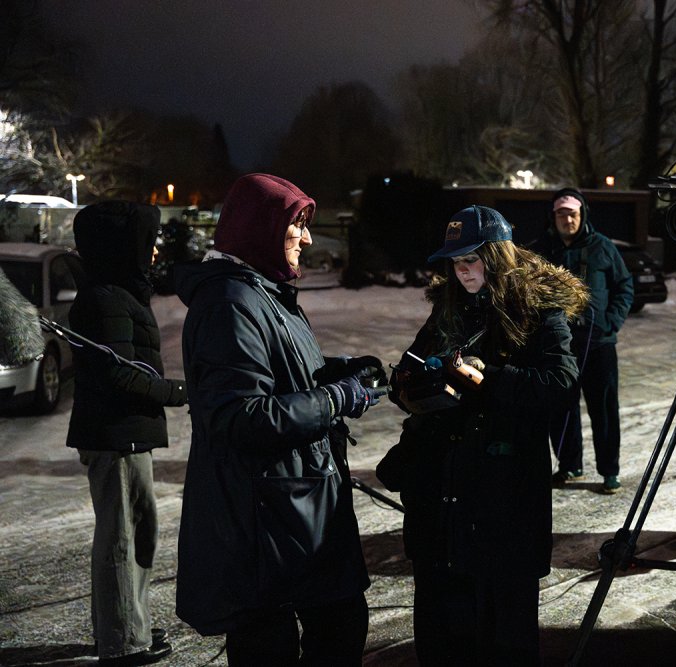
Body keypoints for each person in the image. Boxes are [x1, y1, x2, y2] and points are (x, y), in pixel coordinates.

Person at [174, 173, 384, 665]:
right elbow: (239, 416)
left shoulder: (261, 292)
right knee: (283, 645)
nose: (307, 239)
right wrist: (336, 399)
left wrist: (338, 370)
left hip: (296, 514)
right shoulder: (230, 303)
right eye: (298, 225)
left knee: (342, 627)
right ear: (261, 229)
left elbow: (276, 374)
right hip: (266, 528)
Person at [375, 205, 587, 665]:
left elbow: (560, 385)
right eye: (455, 261)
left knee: (502, 637)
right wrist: (408, 387)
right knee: (443, 631)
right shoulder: (448, 307)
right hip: (442, 505)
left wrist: (489, 377)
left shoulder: (537, 309)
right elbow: (415, 364)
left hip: (503, 504)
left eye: (471, 258)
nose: (463, 270)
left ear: (497, 255)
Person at [67, 201, 187, 666]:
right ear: (122, 246)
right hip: (114, 437)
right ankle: (122, 642)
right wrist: (177, 392)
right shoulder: (104, 298)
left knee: (136, 534)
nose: (154, 251)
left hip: (126, 434)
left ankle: (123, 628)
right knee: (122, 539)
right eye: (146, 242)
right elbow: (121, 373)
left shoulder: (117, 292)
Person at [530, 187, 633, 493]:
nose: (567, 220)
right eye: (561, 214)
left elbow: (624, 287)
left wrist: (610, 322)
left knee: (603, 409)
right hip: (557, 347)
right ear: (553, 217)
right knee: (560, 407)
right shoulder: (543, 250)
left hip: (599, 344)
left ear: (582, 214)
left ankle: (609, 470)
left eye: (572, 213)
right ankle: (569, 464)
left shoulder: (602, 247)